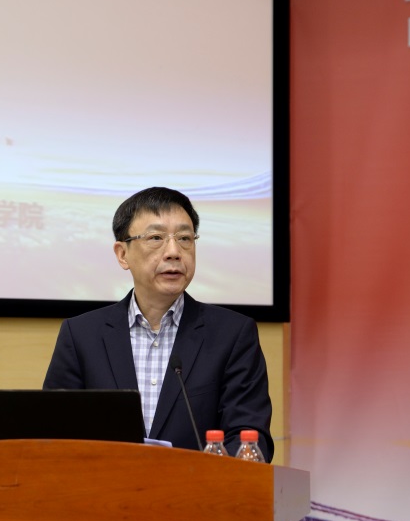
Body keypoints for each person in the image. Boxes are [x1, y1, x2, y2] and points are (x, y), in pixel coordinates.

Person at [43, 186, 274, 460]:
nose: (174, 252)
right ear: (122, 254)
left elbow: (249, 436)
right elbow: (54, 433)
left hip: (198, 486)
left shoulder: (232, 335)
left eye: (185, 238)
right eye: (156, 238)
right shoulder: (81, 335)